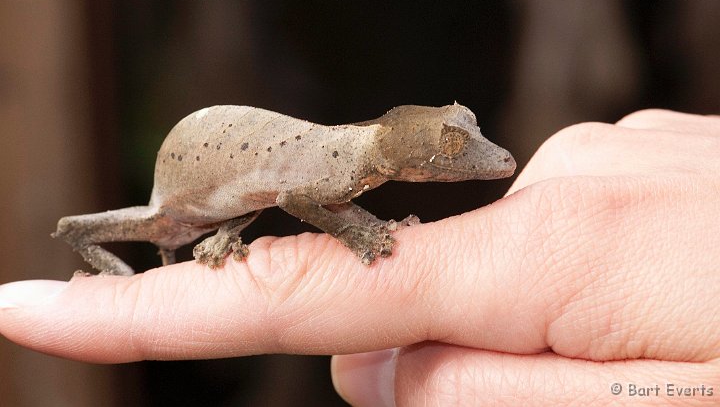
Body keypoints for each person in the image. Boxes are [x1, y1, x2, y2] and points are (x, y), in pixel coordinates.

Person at [0, 109, 718, 405]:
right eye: (448, 149)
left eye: (458, 138)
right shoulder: (346, 170)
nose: (477, 157)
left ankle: (196, 243)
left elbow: (290, 194)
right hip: (193, 183)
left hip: (232, 192)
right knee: (136, 225)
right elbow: (310, 203)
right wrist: (361, 235)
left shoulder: (362, 158)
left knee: (223, 220)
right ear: (406, 154)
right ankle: (98, 257)